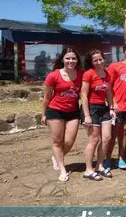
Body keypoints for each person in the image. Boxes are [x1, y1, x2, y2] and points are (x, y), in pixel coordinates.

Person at [42, 48, 83, 182]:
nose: (71, 61)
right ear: (62, 59)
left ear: (77, 60)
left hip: (73, 111)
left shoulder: (82, 73)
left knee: (69, 141)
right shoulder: (54, 75)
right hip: (55, 111)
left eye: (74, 58)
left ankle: (56, 156)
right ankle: (62, 169)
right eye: (68, 58)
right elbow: (47, 97)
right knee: (57, 141)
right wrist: (43, 114)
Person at [80, 50, 116, 181]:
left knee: (107, 138)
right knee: (94, 140)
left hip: (103, 108)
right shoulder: (88, 74)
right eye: (95, 60)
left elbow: (109, 93)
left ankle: (99, 165)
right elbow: (83, 95)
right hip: (91, 108)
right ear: (92, 62)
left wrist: (111, 107)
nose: (99, 62)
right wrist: (87, 115)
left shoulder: (107, 73)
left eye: (100, 59)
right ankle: (88, 169)